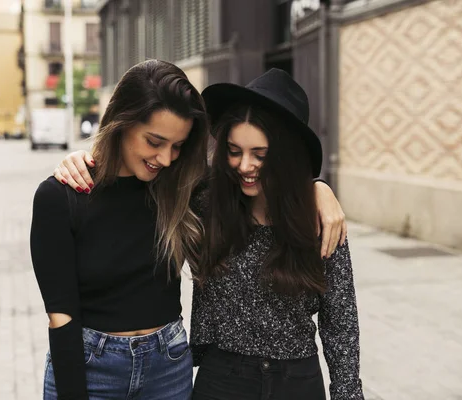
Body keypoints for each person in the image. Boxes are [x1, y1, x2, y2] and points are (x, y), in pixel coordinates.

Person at [33, 60, 347, 400]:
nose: (165, 159)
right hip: (93, 368)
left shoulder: (180, 188)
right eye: (154, 141)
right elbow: (60, 317)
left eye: (177, 146)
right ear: (122, 122)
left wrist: (316, 187)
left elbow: (261, 176)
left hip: (167, 368)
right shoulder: (61, 197)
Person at [190, 69, 364, 399]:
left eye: (260, 154)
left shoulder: (318, 220)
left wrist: (348, 393)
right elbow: (150, 178)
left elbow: (340, 322)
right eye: (234, 150)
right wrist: (86, 161)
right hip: (223, 380)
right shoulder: (207, 204)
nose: (244, 165)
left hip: (297, 382)